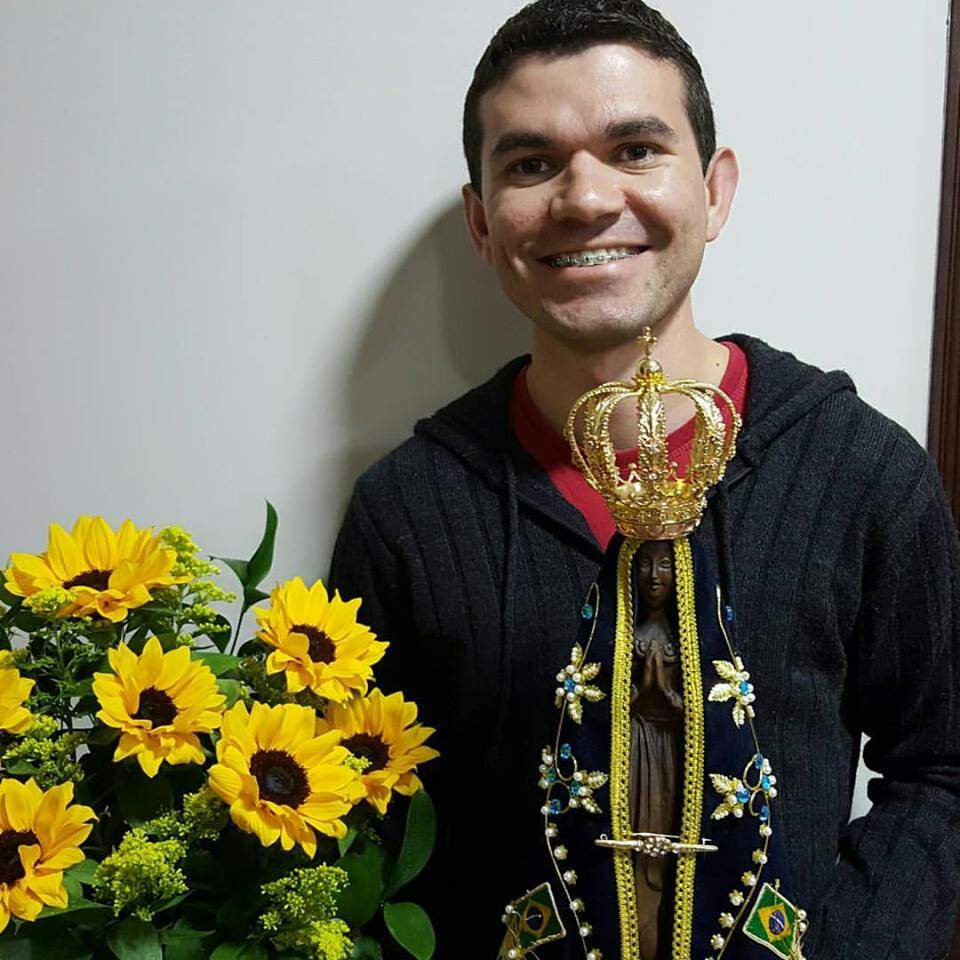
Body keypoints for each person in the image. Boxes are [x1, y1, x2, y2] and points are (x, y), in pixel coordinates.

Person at [329, 1, 960, 957]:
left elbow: (944, 767)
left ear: (715, 190)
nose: (586, 198)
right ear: (482, 221)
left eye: (635, 150)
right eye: (531, 163)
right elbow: (362, 824)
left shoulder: (862, 470)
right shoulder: (406, 512)